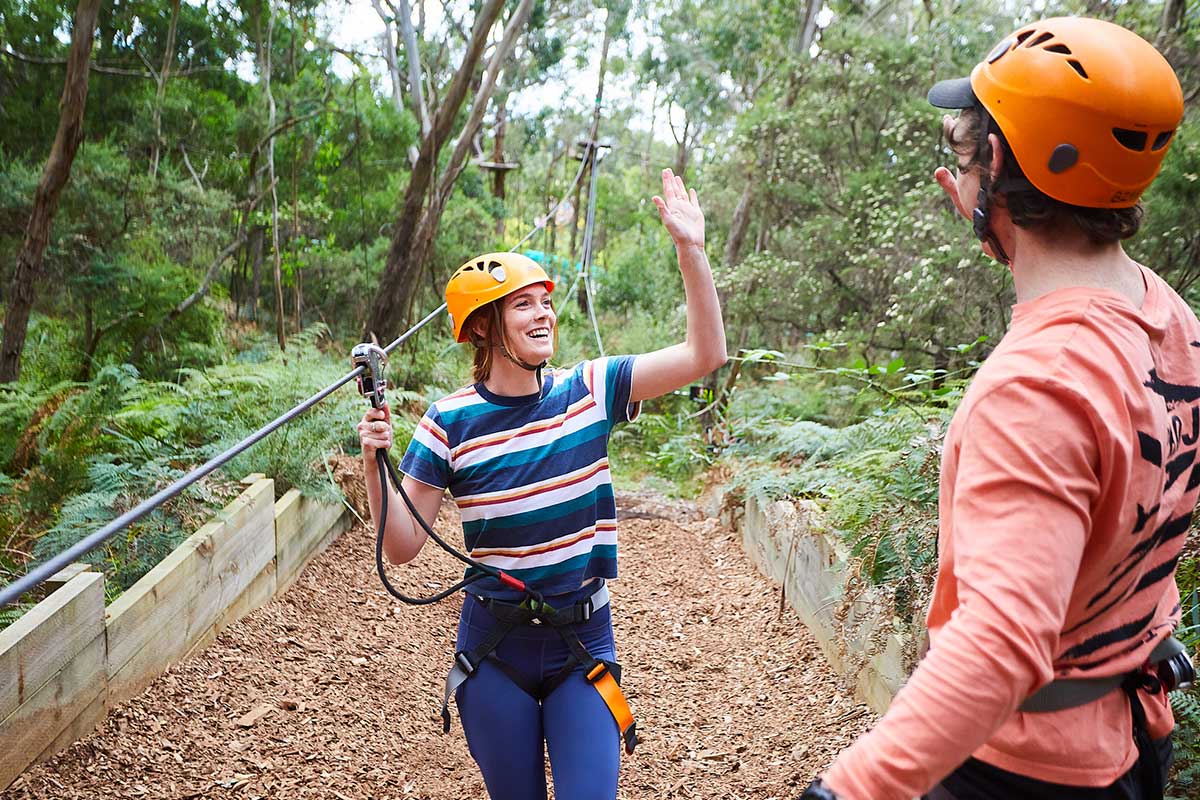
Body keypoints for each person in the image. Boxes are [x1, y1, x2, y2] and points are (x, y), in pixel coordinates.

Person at [798, 16, 1197, 800]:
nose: (959, 174)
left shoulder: (1039, 384)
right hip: (1133, 731)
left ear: (1003, 164)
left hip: (1024, 769)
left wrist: (849, 790)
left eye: (965, 155)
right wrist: (996, 216)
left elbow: (1001, 644)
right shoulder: (1169, 319)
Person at [357, 168, 725, 800]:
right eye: (523, 304)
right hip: (494, 651)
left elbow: (704, 355)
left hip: (582, 642)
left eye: (545, 302)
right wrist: (373, 463)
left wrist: (691, 250)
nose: (544, 313)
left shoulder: (590, 389)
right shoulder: (449, 422)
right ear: (482, 327)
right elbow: (400, 547)